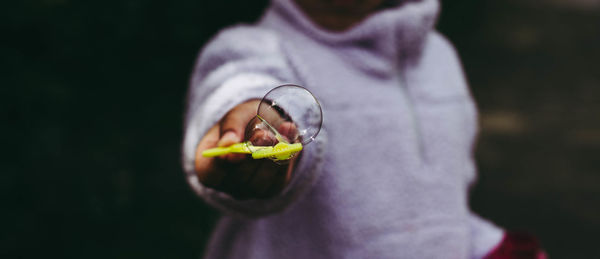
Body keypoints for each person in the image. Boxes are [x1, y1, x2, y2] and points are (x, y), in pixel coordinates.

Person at [182, 0, 545, 258]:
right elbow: (239, 83)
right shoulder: (253, 47)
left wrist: (490, 247)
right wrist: (256, 122)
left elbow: (445, 202)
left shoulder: (439, 56)